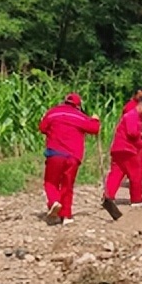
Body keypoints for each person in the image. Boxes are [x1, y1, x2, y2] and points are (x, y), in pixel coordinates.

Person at [38, 93, 102, 225]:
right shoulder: (80, 116)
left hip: (55, 153)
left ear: (64, 101)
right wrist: (95, 119)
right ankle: (66, 216)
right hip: (73, 156)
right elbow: (94, 129)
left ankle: (54, 202)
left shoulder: (52, 112)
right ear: (78, 106)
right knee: (68, 185)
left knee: (51, 182)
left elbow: (42, 128)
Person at [104, 96, 142, 210]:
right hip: (128, 149)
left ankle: (108, 197)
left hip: (118, 149)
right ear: (139, 106)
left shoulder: (132, 116)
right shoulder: (132, 116)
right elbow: (132, 134)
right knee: (136, 173)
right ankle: (136, 199)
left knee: (116, 173)